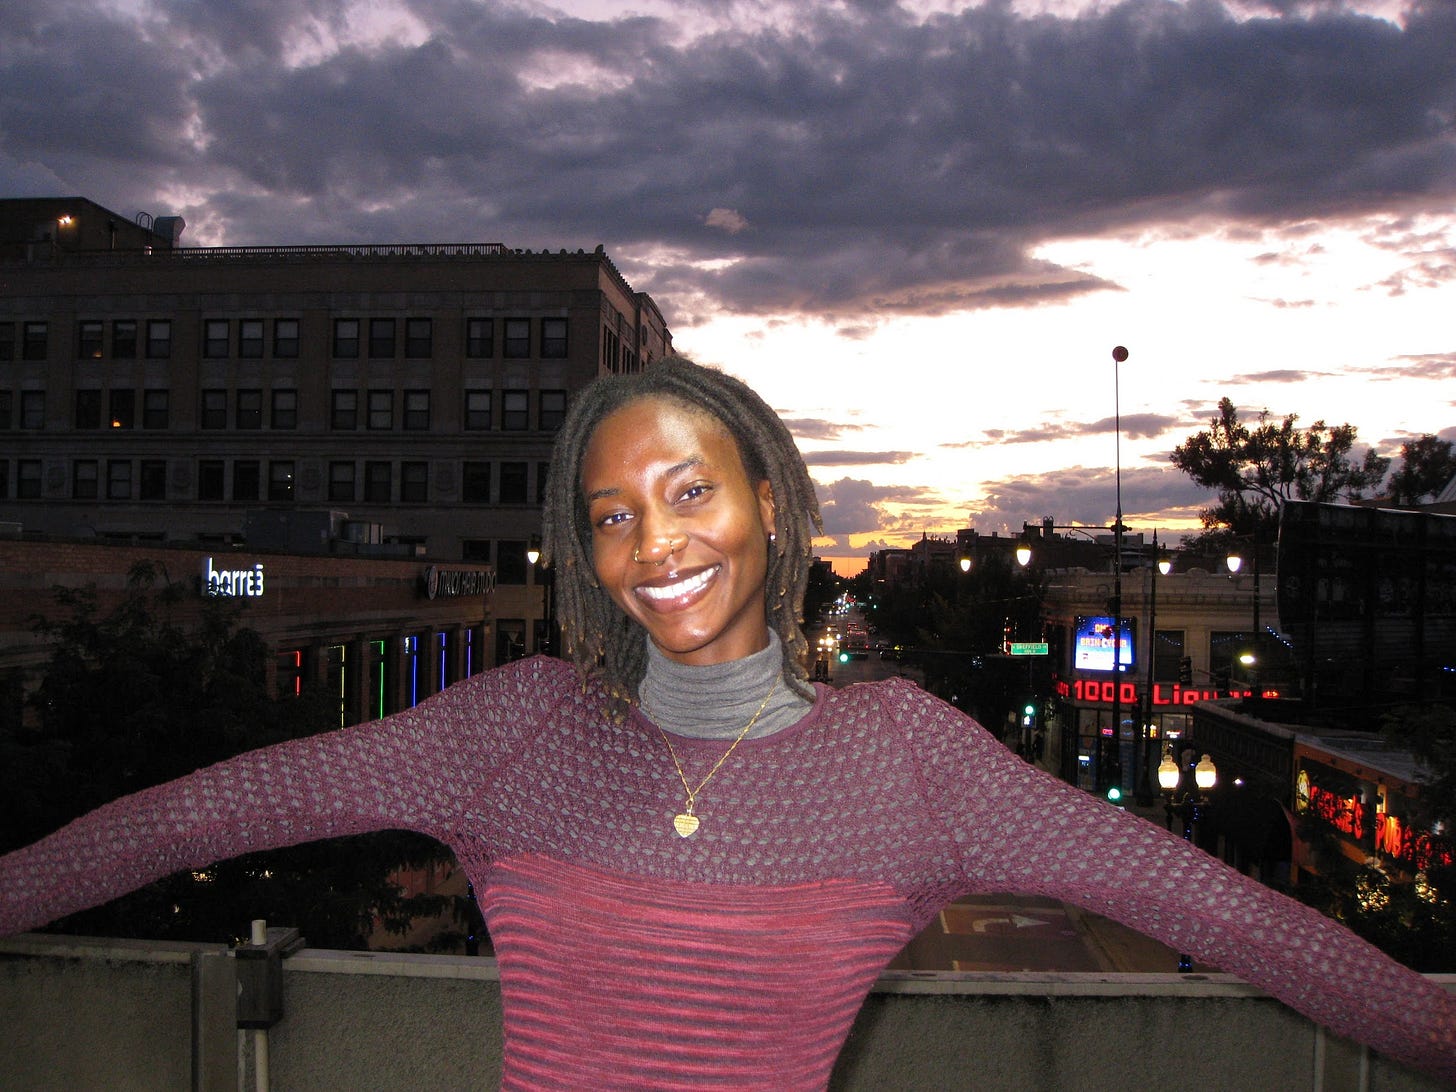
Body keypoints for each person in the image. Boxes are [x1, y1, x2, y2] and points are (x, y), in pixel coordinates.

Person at [1, 355, 1453, 1088]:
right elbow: (203, 812)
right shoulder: (516, 730)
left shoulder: (908, 763)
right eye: (611, 515)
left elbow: (1233, 916)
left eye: (689, 492)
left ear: (769, 499)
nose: (654, 545)